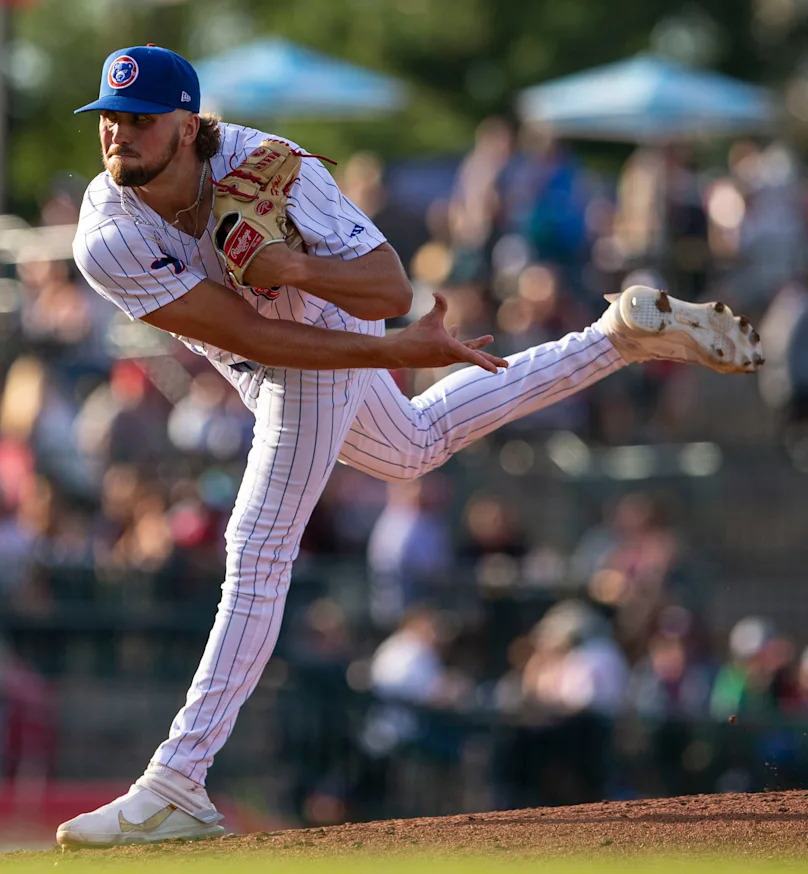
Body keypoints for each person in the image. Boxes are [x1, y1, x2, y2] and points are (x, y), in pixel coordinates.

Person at [56, 45, 764, 848]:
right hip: (268, 356)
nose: (119, 133)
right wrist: (393, 354)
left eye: (141, 119)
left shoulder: (268, 165)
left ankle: (177, 780)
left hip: (323, 321)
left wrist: (289, 264)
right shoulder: (104, 234)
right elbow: (253, 335)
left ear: (188, 127)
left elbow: (390, 289)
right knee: (413, 446)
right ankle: (615, 339)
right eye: (109, 119)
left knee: (256, 545)